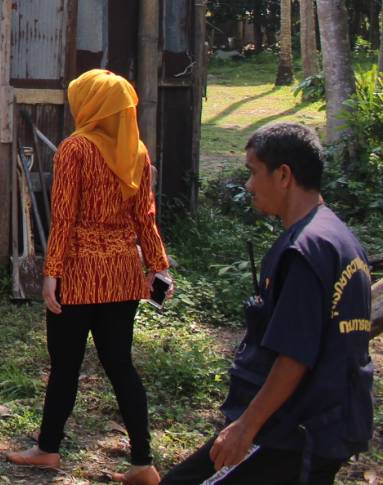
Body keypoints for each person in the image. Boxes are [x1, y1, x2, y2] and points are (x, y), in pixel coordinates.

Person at [160, 122, 373, 485]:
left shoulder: (304, 252)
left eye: (253, 172)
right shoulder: (338, 237)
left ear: (284, 175)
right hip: (325, 424)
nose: (249, 185)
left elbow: (295, 356)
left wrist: (247, 426)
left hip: (292, 433)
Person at [5, 69, 173, 484]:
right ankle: (143, 463)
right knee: (120, 365)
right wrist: (158, 265)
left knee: (65, 365)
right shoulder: (135, 152)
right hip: (122, 274)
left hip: (78, 273)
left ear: (90, 105)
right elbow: (146, 218)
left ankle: (48, 449)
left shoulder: (75, 148)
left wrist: (51, 273)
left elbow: (63, 218)